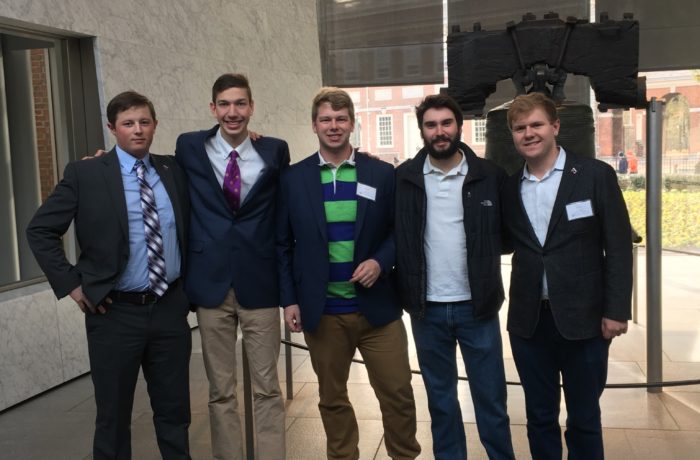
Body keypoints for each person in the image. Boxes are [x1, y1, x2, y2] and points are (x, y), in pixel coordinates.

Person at [26, 91, 192, 459]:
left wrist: (253, 138)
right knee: (113, 417)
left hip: (169, 309)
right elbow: (40, 230)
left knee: (175, 413)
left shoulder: (173, 169)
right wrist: (71, 284)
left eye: (144, 122)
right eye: (128, 124)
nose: (138, 130)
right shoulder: (85, 173)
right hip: (114, 312)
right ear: (112, 128)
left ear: (155, 126)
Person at [276, 87, 420, 460]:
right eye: (326, 119)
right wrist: (289, 299)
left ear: (352, 124)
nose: (334, 126)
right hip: (322, 313)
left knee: (398, 395)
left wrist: (380, 261)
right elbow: (282, 244)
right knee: (333, 400)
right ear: (314, 125)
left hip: (378, 312)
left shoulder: (381, 173)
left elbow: (397, 231)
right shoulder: (293, 179)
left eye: (341, 119)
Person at [502, 92, 632, 460]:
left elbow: (619, 246)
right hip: (529, 323)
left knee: (585, 417)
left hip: (586, 321)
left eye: (536, 125)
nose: (529, 133)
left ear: (555, 126)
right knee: (539, 416)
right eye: (520, 128)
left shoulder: (594, 176)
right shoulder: (510, 188)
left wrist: (617, 309)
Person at [394, 94, 515, 460]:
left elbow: (509, 236)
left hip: (477, 309)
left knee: (491, 401)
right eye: (431, 125)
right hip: (426, 310)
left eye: (446, 123)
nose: (440, 131)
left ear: (459, 126)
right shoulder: (403, 179)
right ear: (422, 131)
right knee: (442, 403)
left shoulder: (489, 176)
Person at [175, 73, 289, 460]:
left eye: (240, 103)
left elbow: (285, 205)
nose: (232, 112)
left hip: (259, 282)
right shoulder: (190, 146)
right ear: (213, 109)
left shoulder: (274, 151)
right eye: (224, 104)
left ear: (252, 107)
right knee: (220, 391)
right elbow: (155, 166)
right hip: (211, 286)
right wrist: (104, 160)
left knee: (267, 388)